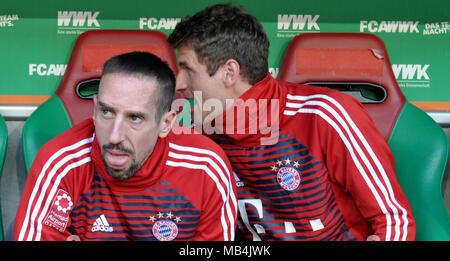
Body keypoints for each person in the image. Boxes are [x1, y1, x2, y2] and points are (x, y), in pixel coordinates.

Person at [168, 4, 416, 241]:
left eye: (187, 69)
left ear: (229, 73)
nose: (179, 84)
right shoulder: (195, 131)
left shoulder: (324, 115)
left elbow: (395, 220)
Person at [14, 51, 238, 241]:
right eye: (106, 112)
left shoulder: (206, 168)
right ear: (94, 109)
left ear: (166, 124)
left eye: (135, 118)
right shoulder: (61, 162)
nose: (114, 136)